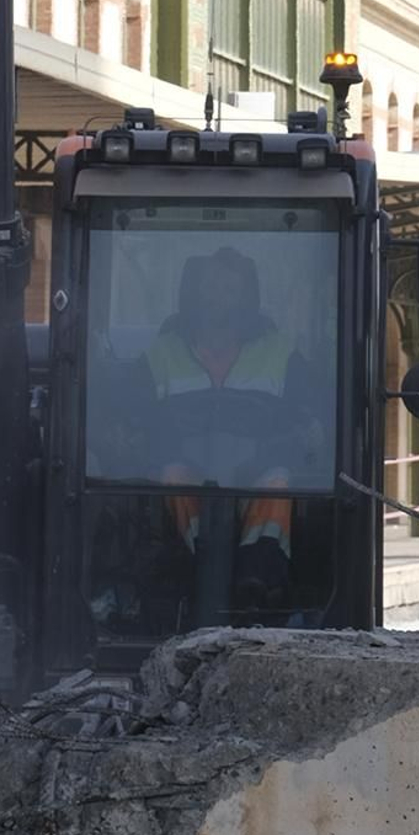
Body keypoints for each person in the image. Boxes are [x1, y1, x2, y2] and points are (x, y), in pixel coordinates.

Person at [141, 247, 311, 614]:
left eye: (230, 290)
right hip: (186, 470)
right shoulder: (159, 354)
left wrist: (266, 453)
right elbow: (131, 420)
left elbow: (308, 423)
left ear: (248, 298)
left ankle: (258, 581)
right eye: (211, 289)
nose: (219, 300)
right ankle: (187, 573)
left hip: (256, 471)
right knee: (172, 477)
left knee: (279, 482)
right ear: (194, 295)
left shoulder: (282, 354)